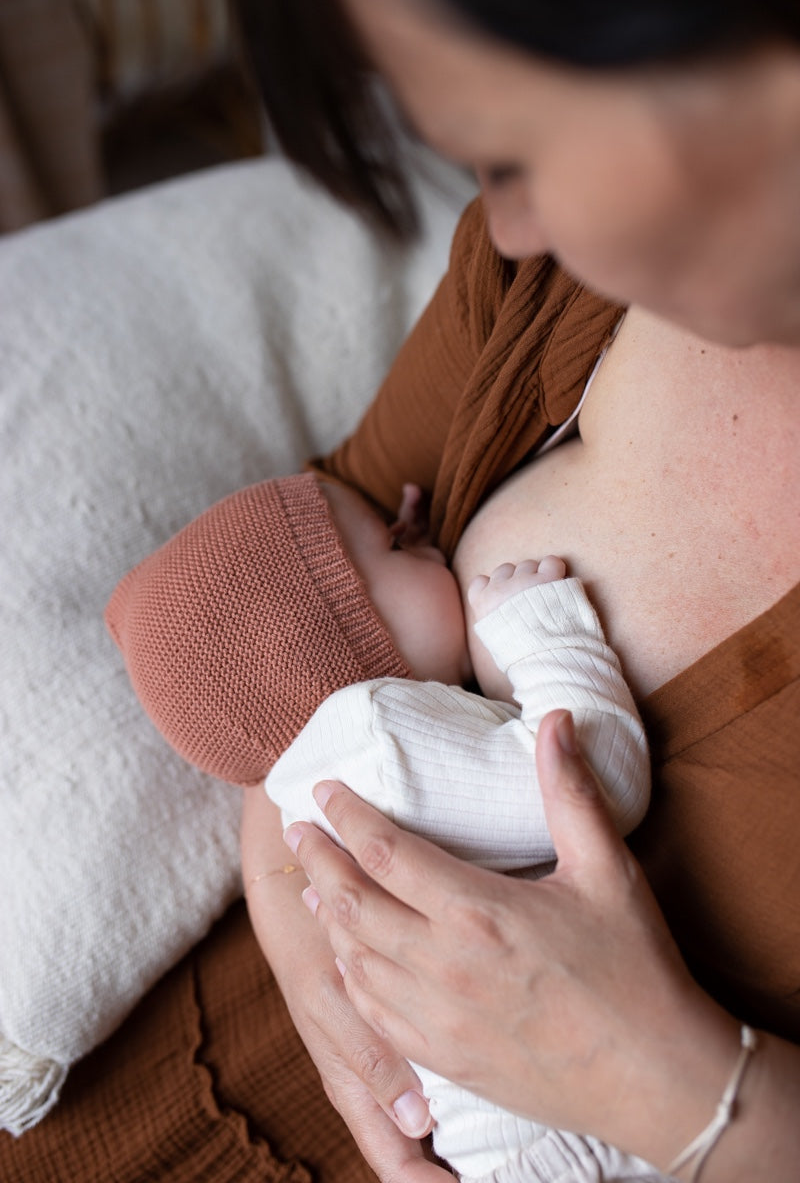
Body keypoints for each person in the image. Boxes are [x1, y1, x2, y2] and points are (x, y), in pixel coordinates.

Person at [3, 0, 799, 1179]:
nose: (504, 224)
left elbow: (549, 753)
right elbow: (302, 552)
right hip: (157, 1085)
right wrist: (293, 854)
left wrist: (684, 1090)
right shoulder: (559, 283)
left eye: (512, 148)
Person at [105, 468, 651, 1183]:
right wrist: (543, 630)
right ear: (344, 630)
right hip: (576, 1128)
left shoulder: (320, 774)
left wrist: (402, 571)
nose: (427, 546)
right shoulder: (378, 739)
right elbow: (599, 790)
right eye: (395, 545)